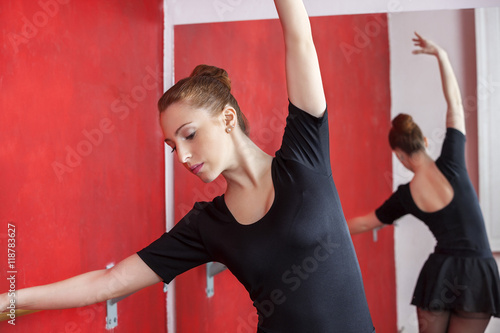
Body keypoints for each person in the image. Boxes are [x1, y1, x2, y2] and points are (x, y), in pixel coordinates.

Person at [0, 1, 376, 332]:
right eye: (171, 145)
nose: (181, 156)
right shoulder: (206, 226)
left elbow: (298, 36)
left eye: (189, 135)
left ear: (228, 118)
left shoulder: (304, 156)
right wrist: (8, 302)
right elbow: (108, 283)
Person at [348, 32, 500, 333]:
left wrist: (322, 230)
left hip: (441, 273)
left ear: (399, 156)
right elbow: (455, 104)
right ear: (426, 141)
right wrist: (440, 54)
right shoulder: (453, 161)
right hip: (478, 273)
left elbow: (366, 222)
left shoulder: (404, 197)